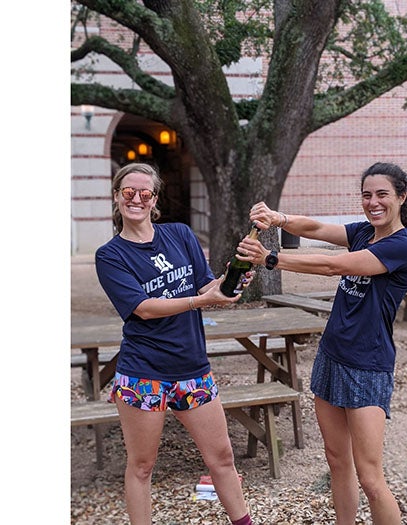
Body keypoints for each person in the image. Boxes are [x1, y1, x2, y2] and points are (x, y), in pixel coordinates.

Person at [239, 162, 407, 525]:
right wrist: (279, 218)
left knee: (370, 476)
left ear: (401, 197)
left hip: (367, 365)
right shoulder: (363, 232)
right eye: (367, 195)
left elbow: (335, 266)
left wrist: (271, 259)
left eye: (382, 194)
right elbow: (318, 228)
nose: (373, 202)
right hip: (331, 356)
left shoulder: (404, 247)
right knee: (337, 461)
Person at [94, 163, 255, 525]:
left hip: (192, 368)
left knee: (222, 459)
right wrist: (202, 302)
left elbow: (204, 286)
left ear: (154, 199)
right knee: (142, 466)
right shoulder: (110, 255)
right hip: (143, 375)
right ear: (117, 197)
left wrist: (229, 284)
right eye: (128, 192)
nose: (136, 199)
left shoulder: (181, 234)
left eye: (144, 193)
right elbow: (143, 308)